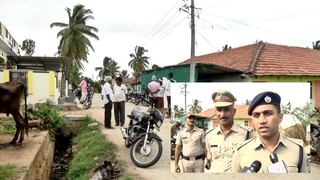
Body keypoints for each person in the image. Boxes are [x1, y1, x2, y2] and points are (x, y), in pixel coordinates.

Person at [232, 91, 308, 173]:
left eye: (268, 113)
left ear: (280, 117)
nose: (262, 121)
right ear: (252, 120)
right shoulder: (241, 151)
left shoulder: (298, 150)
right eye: (256, 115)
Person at [205, 90, 253, 173]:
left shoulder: (247, 134)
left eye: (227, 110)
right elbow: (210, 161)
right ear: (215, 112)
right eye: (219, 110)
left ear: (234, 112)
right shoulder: (209, 135)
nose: (222, 115)